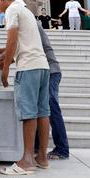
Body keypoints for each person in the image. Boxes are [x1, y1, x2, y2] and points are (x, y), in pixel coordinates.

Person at [0, 0, 50, 175]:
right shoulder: (25, 11)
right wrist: (0, 53)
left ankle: (26, 160)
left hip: (29, 67)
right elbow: (22, 42)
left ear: (1, 0)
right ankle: (41, 157)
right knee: (42, 112)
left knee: (29, 113)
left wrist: (6, 68)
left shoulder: (12, 10)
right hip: (42, 66)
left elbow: (13, 40)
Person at [36, 23, 69, 160]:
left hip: (51, 71)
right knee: (39, 108)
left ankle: (62, 149)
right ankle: (36, 146)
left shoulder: (32, 25)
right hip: (41, 72)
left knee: (51, 106)